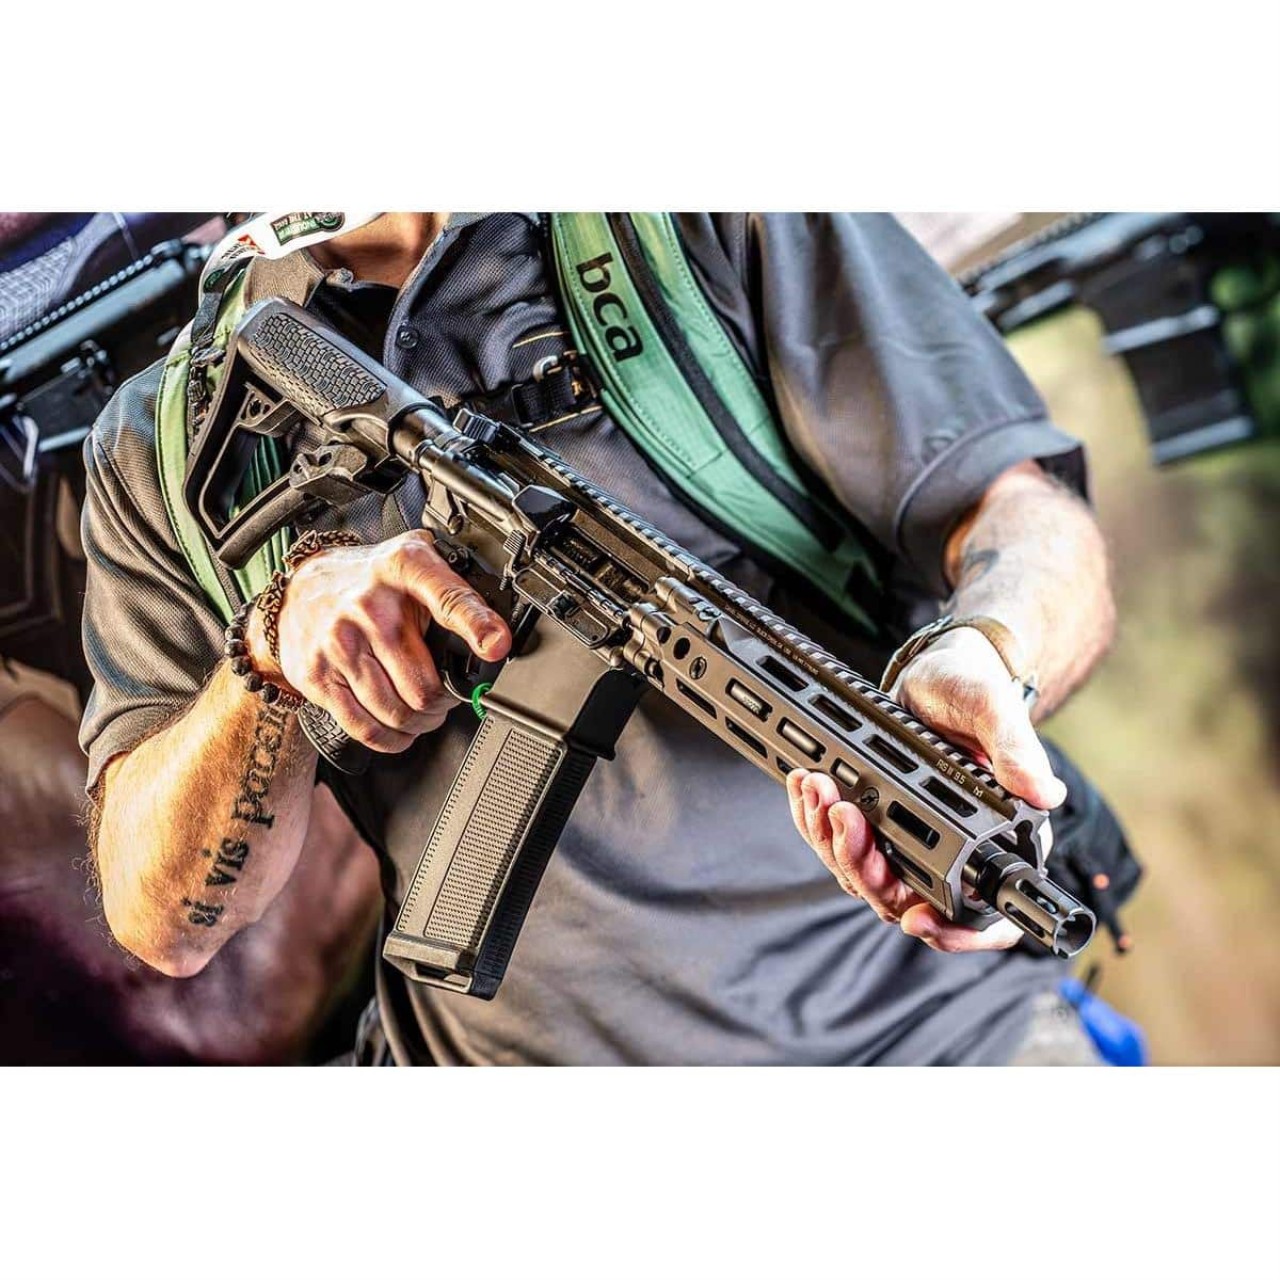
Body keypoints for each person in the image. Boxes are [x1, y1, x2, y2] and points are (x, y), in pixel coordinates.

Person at [81, 212, 1115, 1065]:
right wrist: (270, 651)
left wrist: (988, 649)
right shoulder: (162, 443)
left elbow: (1026, 515)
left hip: (937, 1037)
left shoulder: (693, 217)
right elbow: (162, 919)